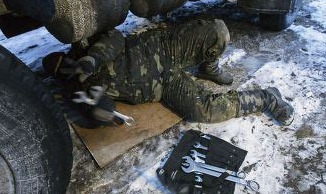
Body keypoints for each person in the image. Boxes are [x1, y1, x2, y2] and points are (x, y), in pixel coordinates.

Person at [43, 19, 294, 125]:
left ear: (67, 56)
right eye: (60, 71)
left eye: (63, 62)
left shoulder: (87, 50)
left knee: (216, 32)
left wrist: (92, 59)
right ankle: (267, 97)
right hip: (163, 83)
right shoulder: (80, 90)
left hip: (163, 46)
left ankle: (208, 67)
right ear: (59, 77)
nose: (65, 68)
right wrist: (104, 112)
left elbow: (115, 36)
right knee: (204, 111)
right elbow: (96, 106)